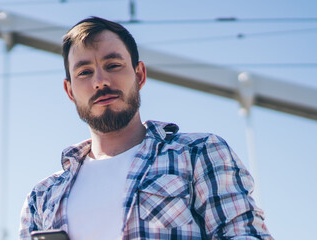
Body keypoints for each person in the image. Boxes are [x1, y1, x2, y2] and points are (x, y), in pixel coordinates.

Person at [19, 16, 273, 240]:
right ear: (69, 91)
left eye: (113, 65)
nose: (100, 82)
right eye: (84, 72)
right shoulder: (42, 197)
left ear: (139, 75)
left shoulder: (198, 154)